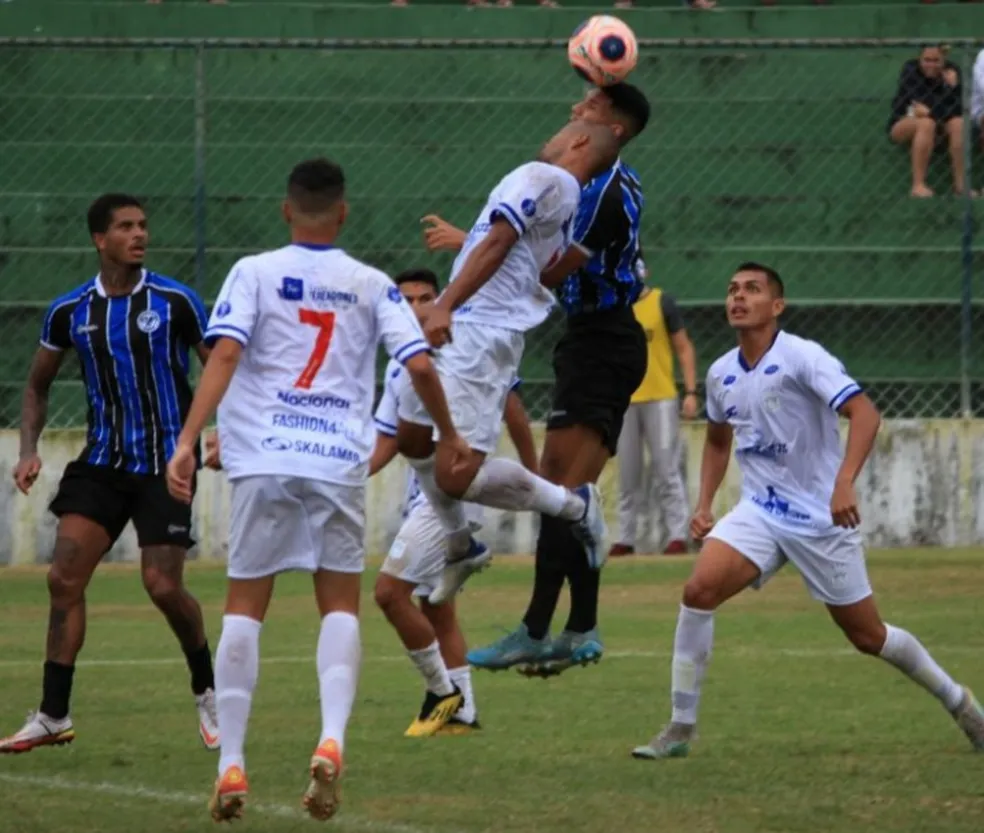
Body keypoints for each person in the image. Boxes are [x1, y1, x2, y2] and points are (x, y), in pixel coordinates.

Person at [165, 158, 466, 823]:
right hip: (335, 460)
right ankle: (331, 736)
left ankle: (232, 760)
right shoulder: (371, 282)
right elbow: (418, 363)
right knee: (339, 604)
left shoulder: (253, 271)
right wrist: (448, 432)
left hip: (264, 459)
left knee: (246, 602)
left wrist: (188, 439)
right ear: (344, 213)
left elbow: (224, 354)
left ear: (285, 210)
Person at [631, 262, 984, 760]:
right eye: (732, 289)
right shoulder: (720, 372)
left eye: (752, 290)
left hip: (821, 518)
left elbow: (865, 412)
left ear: (776, 306)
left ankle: (961, 703)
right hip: (759, 512)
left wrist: (843, 483)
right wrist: (705, 503)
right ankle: (680, 728)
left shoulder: (803, 357)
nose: (738, 297)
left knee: (868, 635)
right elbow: (716, 442)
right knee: (698, 590)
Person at [425, 83, 651, 674]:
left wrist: (479, 260)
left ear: (611, 130)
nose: (575, 109)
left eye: (589, 107)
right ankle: (578, 629)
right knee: (562, 488)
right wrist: (475, 242)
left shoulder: (602, 192)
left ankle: (541, 629)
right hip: (589, 341)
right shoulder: (580, 184)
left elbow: (549, 271)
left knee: (561, 490)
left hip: (605, 341)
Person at [0, 194, 218, 756]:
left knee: (162, 585)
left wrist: (220, 432)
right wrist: (28, 449)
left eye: (144, 224)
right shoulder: (69, 311)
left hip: (165, 464)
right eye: (126, 227)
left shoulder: (175, 301)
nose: (140, 234)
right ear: (101, 239)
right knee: (62, 580)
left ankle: (208, 691)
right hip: (101, 463)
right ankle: (53, 714)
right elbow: (36, 386)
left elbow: (222, 362)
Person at [394, 119, 621, 606]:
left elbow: (499, 243)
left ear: (580, 141)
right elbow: (524, 259)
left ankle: (573, 505)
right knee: (410, 434)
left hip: (479, 332)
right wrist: (465, 246)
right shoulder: (563, 195)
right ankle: (460, 545)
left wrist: (446, 303)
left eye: (569, 125)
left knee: (456, 473)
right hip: (471, 322)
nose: (557, 129)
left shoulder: (544, 176)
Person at [371, 268, 539, 737]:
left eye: (428, 297)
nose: (419, 307)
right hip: (422, 495)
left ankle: (444, 693)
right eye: (407, 300)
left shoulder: (467, 346)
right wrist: (341, 475)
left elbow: (516, 415)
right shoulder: (398, 362)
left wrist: (534, 477)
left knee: (389, 593)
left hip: (453, 496)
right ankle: (461, 711)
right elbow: (387, 440)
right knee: (435, 605)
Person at [610, 276, 699, 557]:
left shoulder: (662, 302)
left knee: (666, 468)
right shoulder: (614, 307)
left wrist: (691, 391)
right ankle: (625, 537)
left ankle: (677, 535)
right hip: (625, 399)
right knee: (628, 471)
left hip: (660, 397)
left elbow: (683, 347)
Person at [888, 45, 967, 198]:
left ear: (944, 60)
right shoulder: (911, 70)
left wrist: (953, 87)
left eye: (936, 60)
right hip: (904, 122)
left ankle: (961, 185)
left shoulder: (953, 71)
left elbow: (960, 107)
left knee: (958, 123)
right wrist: (941, 107)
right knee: (926, 123)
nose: (931, 65)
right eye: (927, 60)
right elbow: (919, 99)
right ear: (920, 59)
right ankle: (918, 185)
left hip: (941, 121)